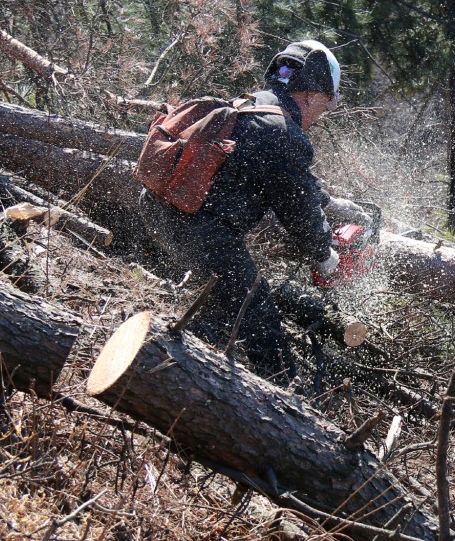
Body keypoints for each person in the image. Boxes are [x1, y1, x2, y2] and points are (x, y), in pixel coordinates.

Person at [138, 39, 368, 384]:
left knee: (222, 303)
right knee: (255, 308)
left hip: (160, 212)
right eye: (326, 102)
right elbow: (298, 210)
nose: (323, 112)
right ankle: (286, 397)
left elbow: (284, 174)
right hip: (201, 230)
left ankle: (171, 371)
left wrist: (329, 202)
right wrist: (324, 255)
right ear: (310, 95)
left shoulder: (253, 105)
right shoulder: (284, 133)